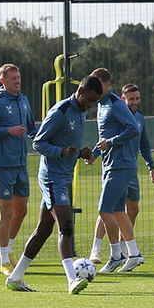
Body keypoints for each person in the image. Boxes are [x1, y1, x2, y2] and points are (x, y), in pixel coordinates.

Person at [8, 78, 101, 294]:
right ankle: (71, 280)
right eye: (89, 99)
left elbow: (67, 145)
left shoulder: (81, 111)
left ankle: (16, 277)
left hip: (64, 177)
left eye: (95, 102)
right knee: (66, 225)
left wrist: (80, 153)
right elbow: (38, 142)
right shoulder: (61, 111)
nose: (91, 105)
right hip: (52, 177)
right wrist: (60, 152)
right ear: (80, 91)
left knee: (43, 230)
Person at [0, 63, 38, 276]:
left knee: (22, 210)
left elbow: (31, 128)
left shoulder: (23, 100)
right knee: (7, 212)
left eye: (19, 77)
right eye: (13, 78)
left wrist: (44, 136)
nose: (17, 81)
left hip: (21, 163)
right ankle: (3, 260)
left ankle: (9, 250)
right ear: (3, 80)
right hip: (2, 165)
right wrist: (7, 130)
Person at [89, 69, 144, 273]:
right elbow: (106, 135)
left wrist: (110, 143)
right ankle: (134, 253)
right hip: (112, 163)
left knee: (105, 210)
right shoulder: (102, 104)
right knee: (119, 211)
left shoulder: (115, 104)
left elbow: (132, 129)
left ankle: (115, 255)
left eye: (95, 85)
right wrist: (95, 153)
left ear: (105, 84)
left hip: (120, 165)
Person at [120, 83, 154, 242]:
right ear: (123, 99)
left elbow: (144, 144)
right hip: (116, 168)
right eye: (131, 99)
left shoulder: (140, 117)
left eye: (137, 98)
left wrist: (151, 165)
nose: (135, 102)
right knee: (110, 209)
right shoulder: (117, 117)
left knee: (134, 209)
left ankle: (123, 244)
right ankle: (98, 250)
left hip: (132, 171)